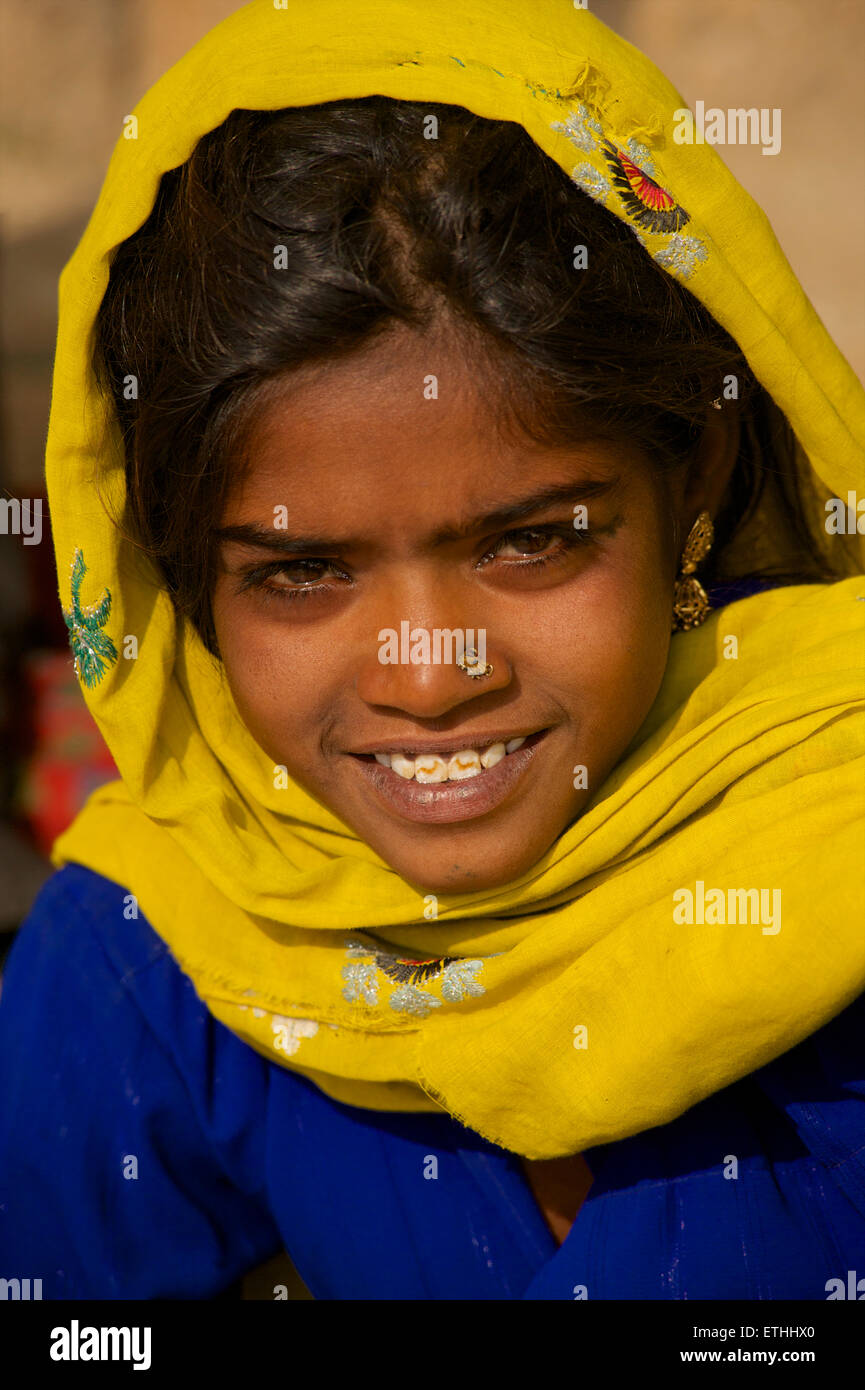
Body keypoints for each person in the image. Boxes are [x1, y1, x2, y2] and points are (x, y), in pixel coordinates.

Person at [1, 0, 863, 1300]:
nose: (428, 671)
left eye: (529, 542)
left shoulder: (830, 848)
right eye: (300, 571)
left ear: (696, 480)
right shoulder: (144, 957)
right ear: (180, 578)